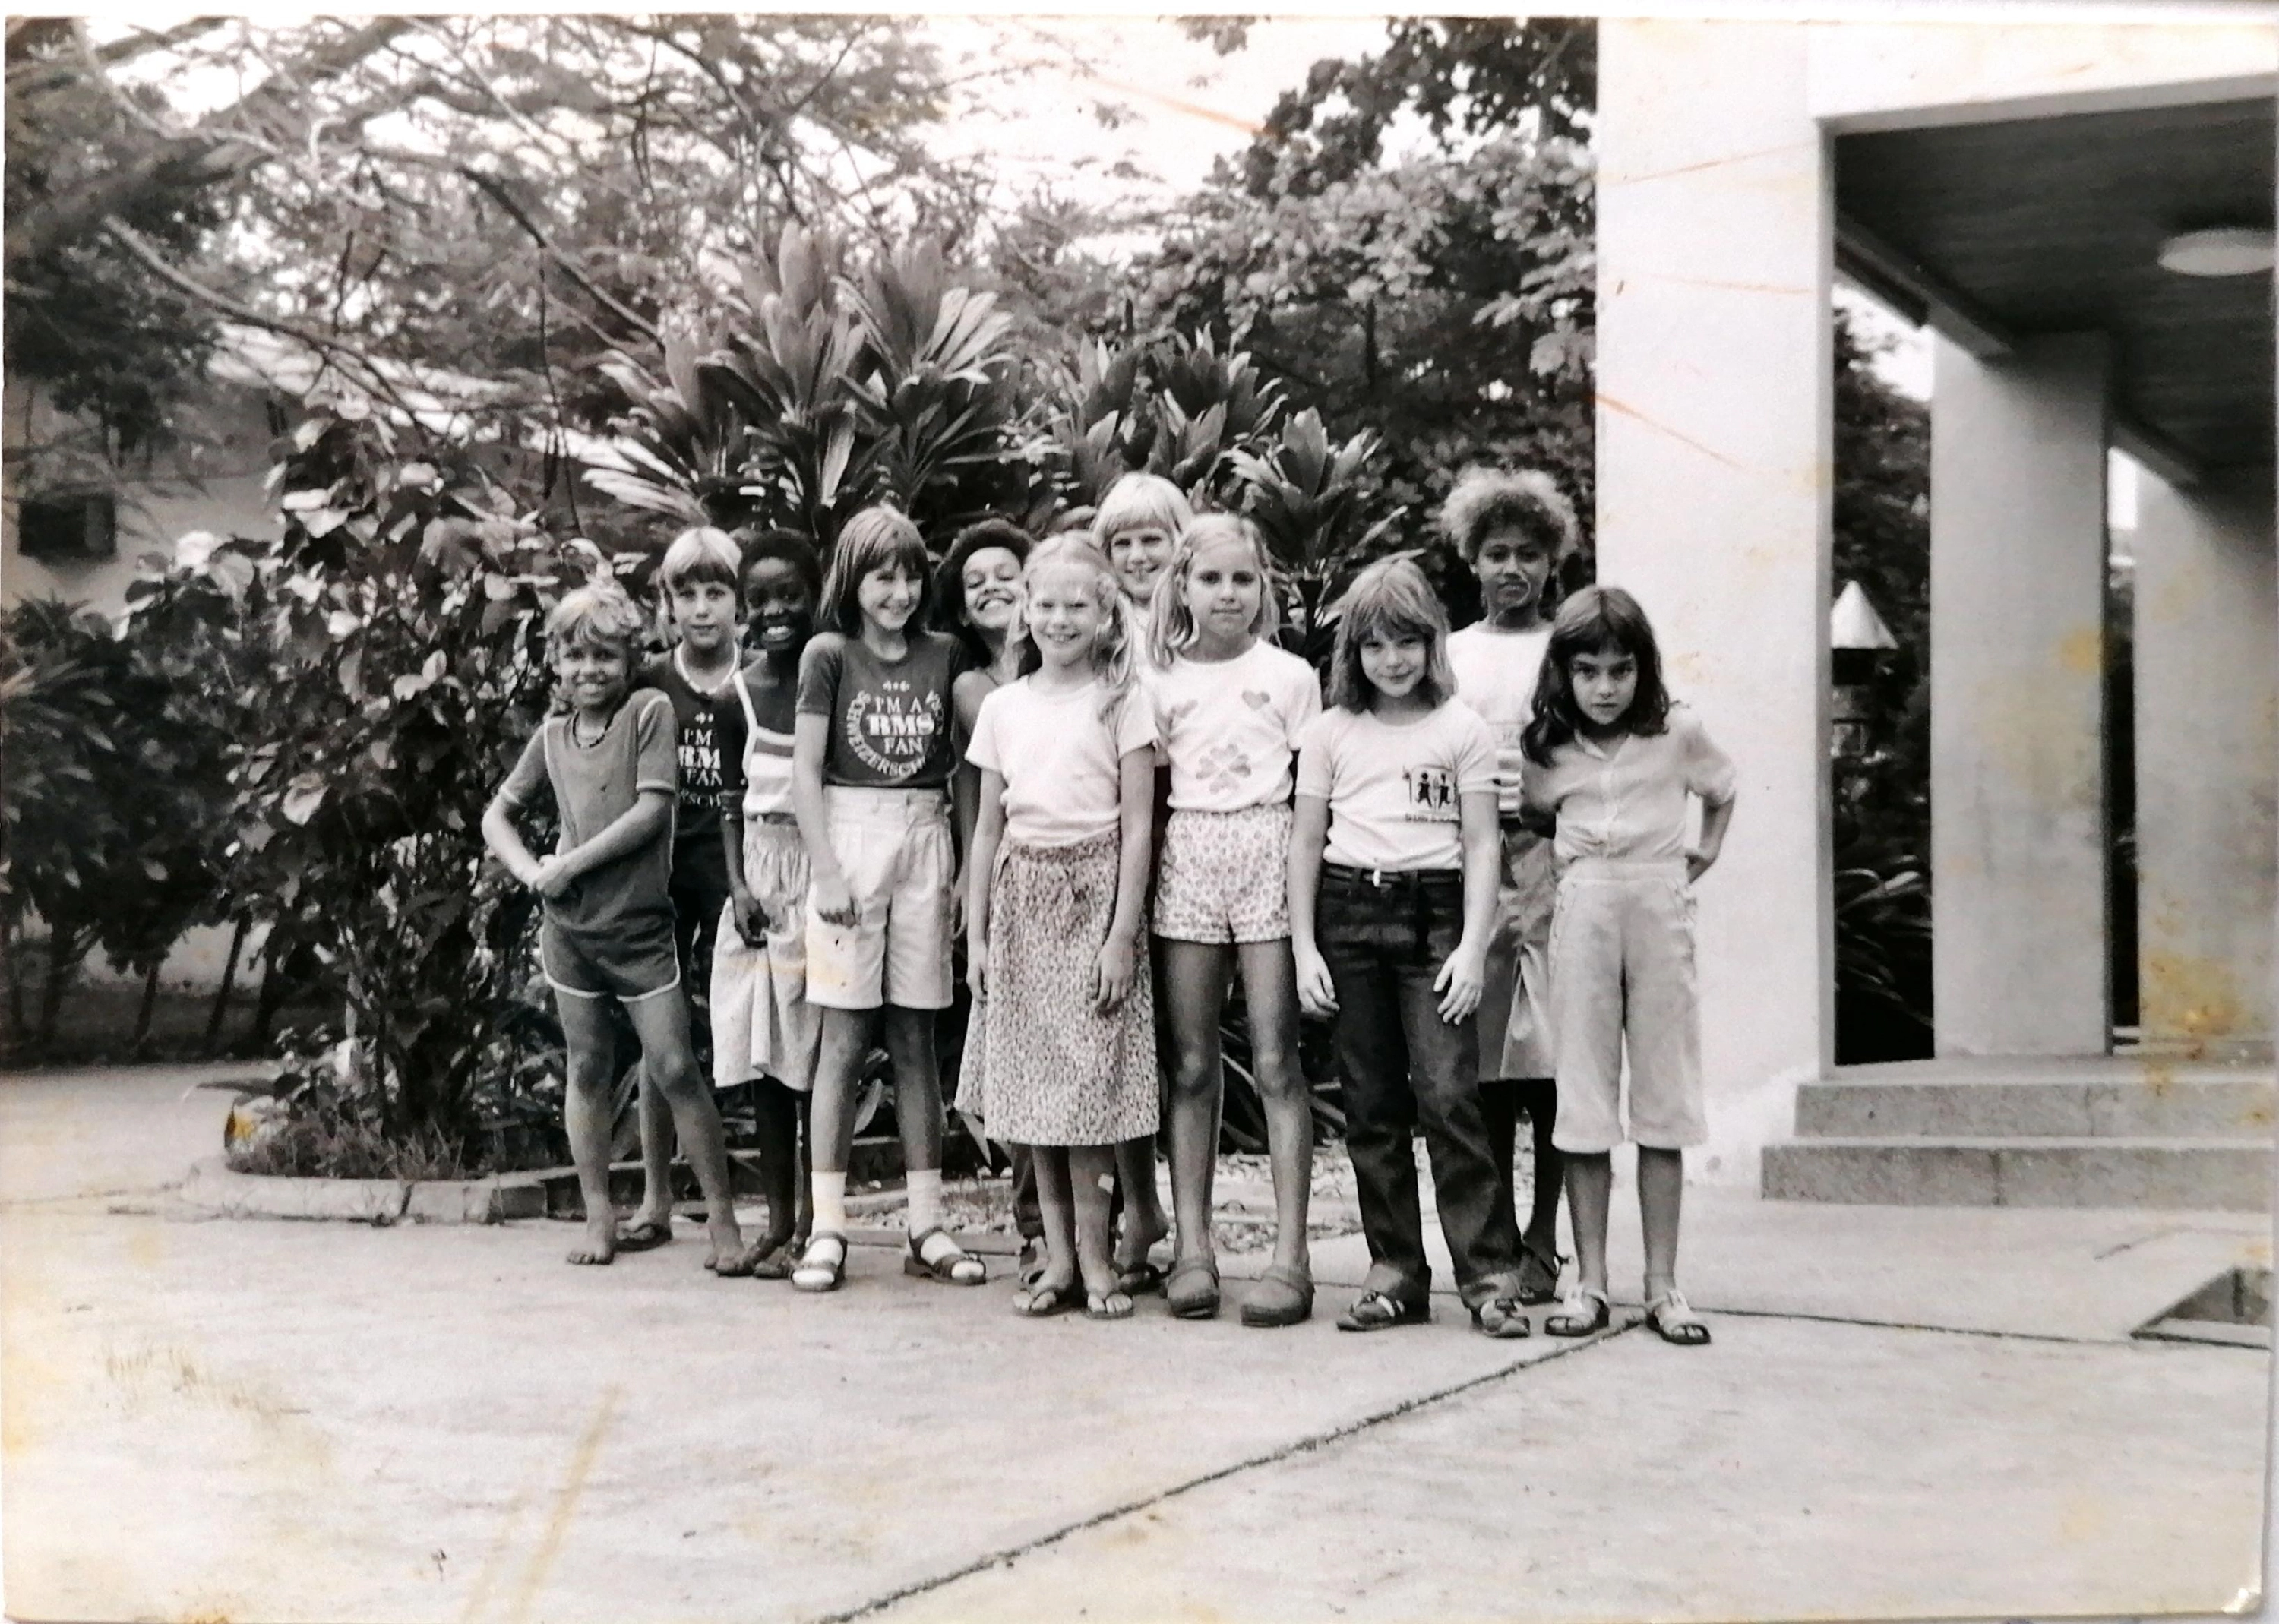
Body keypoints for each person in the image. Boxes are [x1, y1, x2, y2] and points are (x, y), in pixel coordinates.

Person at [1288, 558, 1531, 1338]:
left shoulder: (1461, 728)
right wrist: (1303, 947)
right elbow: (1303, 843)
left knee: (1451, 1097)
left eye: (1408, 642)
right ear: (1350, 653)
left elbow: (1484, 844)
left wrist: (1471, 945)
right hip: (1349, 913)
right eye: (1374, 646)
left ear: (1433, 642)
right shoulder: (1330, 732)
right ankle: (1395, 1268)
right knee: (1371, 1105)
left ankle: (1491, 1275)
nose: (1392, 660)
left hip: (1435, 923)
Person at [482, 581, 749, 1273]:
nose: (588, 671)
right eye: (574, 658)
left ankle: (723, 1223)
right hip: (570, 934)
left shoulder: (648, 711)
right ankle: (598, 1216)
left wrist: (567, 864)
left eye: (604, 656)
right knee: (589, 1066)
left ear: (630, 659)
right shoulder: (551, 737)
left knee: (674, 1066)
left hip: (638, 930)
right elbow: (496, 817)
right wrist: (533, 873)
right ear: (556, 664)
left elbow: (650, 813)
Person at [1524, 586, 1735, 1348]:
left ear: (1643, 669)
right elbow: (1536, 813)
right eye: (1589, 671)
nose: (1606, 687)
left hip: (1657, 899)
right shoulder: (1548, 747)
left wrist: (1703, 850)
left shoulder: (1676, 730)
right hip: (1584, 902)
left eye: (1621, 670)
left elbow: (1723, 787)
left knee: (1662, 1090)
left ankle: (1663, 1285)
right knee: (1581, 1090)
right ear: (1565, 673)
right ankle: (1589, 1281)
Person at [788, 507, 987, 1292]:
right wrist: (827, 870)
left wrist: (971, 864)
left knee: (915, 1035)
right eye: (882, 576)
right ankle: (828, 1224)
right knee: (842, 1038)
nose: (899, 591)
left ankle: (925, 1220)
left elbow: (969, 769)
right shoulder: (828, 655)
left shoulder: (945, 655)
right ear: (853, 580)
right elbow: (805, 771)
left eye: (910, 574)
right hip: (849, 832)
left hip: (924, 836)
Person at [961, 536, 1160, 1319]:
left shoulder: (1121, 700)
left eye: (1079, 603)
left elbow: (1140, 829)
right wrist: (976, 937)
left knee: (1091, 1093)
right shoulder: (1004, 707)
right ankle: (1058, 1261)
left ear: (1108, 612)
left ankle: (1101, 1259)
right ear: (1024, 612)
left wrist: (1121, 934)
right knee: (1035, 1100)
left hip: (1094, 898)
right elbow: (984, 829)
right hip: (1022, 903)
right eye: (1044, 602)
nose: (1059, 616)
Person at [1145, 514, 1322, 1326]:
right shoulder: (1157, 677)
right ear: (1181, 585)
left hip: (1268, 849)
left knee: (1279, 1058)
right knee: (1189, 1063)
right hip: (1189, 854)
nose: (1226, 593)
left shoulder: (1290, 676)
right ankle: (1192, 1246)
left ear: (1263, 589)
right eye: (1210, 579)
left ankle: (1291, 1255)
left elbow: (1310, 797)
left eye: (1242, 579)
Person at [1441, 468, 1581, 1304]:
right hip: (1473, 864)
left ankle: (1544, 1233)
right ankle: (1492, 1229)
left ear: (1552, 558)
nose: (1512, 570)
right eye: (1496, 553)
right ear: (1471, 558)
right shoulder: (1453, 651)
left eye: (1529, 553)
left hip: (1556, 858)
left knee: (1553, 1054)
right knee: (1485, 1053)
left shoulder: (1567, 646)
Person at [617, 526, 746, 1252]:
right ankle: (656, 1198)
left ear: (738, 602)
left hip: (736, 870)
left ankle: (773, 1210)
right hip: (662, 872)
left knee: (752, 1030)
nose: (701, 608)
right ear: (666, 605)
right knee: (660, 1040)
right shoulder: (647, 687)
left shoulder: (755, 679)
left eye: (715, 591)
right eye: (686, 593)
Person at [934, 518, 1050, 1281]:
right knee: (1027, 1059)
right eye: (974, 583)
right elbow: (974, 798)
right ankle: (1039, 1223)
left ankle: (1117, 1216)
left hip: (1091, 868)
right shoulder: (975, 688)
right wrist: (972, 897)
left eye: (1004, 572)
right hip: (1011, 876)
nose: (990, 588)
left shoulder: (1087, 659)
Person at [710, 532, 826, 1278]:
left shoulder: (832, 677)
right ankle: (778, 1217)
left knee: (817, 1057)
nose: (778, 610)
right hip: (761, 878)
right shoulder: (735, 696)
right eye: (762, 599)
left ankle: (820, 1219)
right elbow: (728, 801)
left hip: (823, 874)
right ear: (745, 610)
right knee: (766, 1063)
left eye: (791, 595)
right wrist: (739, 886)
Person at [1094, 472, 1193, 660]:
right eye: (1122, 543)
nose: (1137, 556)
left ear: (1180, 543)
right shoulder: (1101, 626)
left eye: (1150, 540)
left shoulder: (1200, 620)